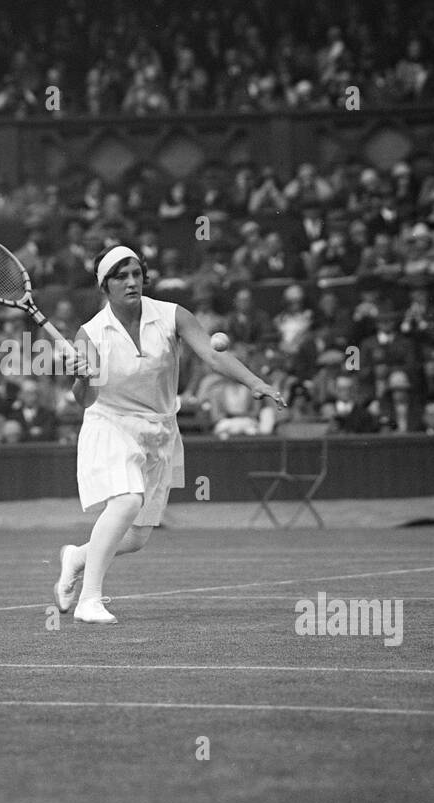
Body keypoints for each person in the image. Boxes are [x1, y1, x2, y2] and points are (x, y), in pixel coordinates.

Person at [53, 245, 284, 625]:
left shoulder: (172, 315)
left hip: (159, 428)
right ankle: (88, 601)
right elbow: (85, 399)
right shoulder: (89, 334)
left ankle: (77, 557)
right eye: (120, 276)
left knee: (138, 537)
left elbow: (212, 354)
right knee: (126, 502)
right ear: (104, 286)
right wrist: (81, 377)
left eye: (136, 273)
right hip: (110, 423)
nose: (131, 281)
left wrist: (255, 382)